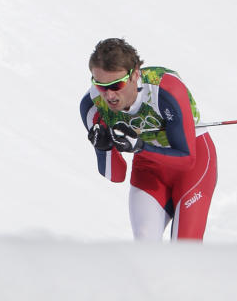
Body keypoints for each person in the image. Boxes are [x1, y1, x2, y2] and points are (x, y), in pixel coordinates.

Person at [79, 37, 217, 241]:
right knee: (145, 244)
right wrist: (103, 147)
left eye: (116, 85)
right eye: (100, 86)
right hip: (149, 170)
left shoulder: (164, 90)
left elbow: (186, 158)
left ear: (134, 75)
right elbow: (116, 175)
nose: (109, 95)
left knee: (185, 247)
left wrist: (140, 147)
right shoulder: (92, 107)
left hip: (192, 167)